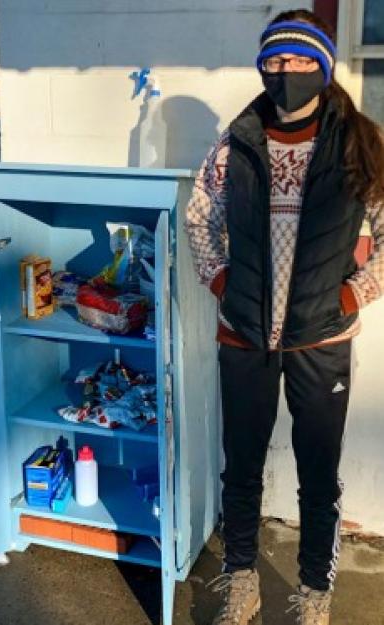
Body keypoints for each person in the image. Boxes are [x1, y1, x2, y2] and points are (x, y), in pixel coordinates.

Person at [184, 8, 384, 625]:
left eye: (299, 62)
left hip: (320, 339)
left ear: (322, 67)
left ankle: (313, 598)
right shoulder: (236, 145)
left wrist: (354, 294)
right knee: (241, 468)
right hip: (242, 335)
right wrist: (221, 280)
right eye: (274, 61)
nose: (285, 72)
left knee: (317, 474)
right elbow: (199, 219)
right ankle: (241, 583)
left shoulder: (357, 144)